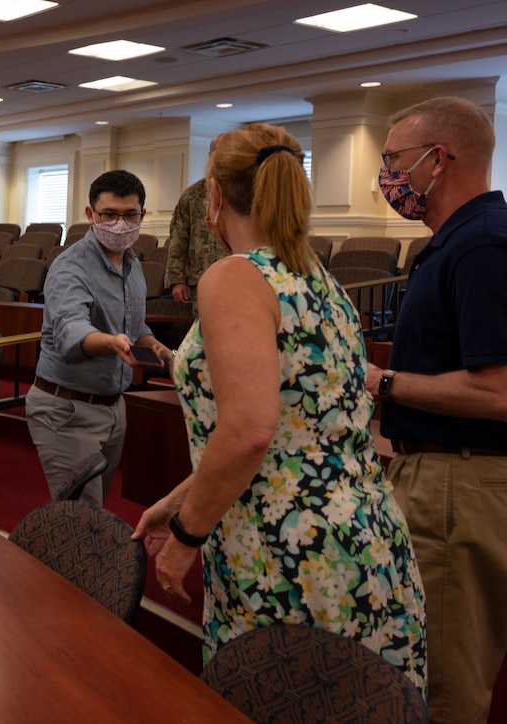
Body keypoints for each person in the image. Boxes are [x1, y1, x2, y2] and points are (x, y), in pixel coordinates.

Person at [131, 124, 427, 696]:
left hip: (287, 546)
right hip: (361, 538)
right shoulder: (319, 277)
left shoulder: (235, 276)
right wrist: (179, 499)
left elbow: (249, 430)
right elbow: (300, 432)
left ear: (214, 197)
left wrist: (187, 538)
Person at [367, 96, 507, 723]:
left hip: (458, 486)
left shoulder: (481, 246)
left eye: (394, 159)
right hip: (441, 476)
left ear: (437, 159)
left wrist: (381, 382)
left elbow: (497, 392)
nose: (388, 175)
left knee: (444, 681)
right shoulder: (458, 241)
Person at [26, 169, 173, 506]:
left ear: (142, 215)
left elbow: (136, 328)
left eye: (129, 215)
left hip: (112, 407)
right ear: (91, 214)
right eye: (109, 215)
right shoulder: (70, 267)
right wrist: (111, 342)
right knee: (81, 521)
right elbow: (71, 333)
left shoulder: (133, 265)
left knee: (94, 516)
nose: (119, 224)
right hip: (67, 409)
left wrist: (159, 350)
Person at [165, 134, 229, 313]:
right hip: (201, 277)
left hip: (239, 275)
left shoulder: (248, 192)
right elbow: (178, 238)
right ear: (210, 156)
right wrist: (176, 279)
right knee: (204, 330)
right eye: (217, 151)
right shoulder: (193, 195)